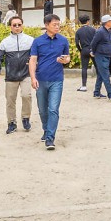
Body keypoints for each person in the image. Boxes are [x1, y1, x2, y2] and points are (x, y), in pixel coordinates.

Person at [29, 14, 70, 150]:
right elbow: (33, 60)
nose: (57, 26)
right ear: (46, 25)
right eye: (54, 24)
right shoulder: (37, 41)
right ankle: (46, 130)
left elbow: (68, 57)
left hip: (57, 80)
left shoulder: (63, 40)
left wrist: (65, 60)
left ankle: (50, 138)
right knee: (42, 110)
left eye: (59, 24)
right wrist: (33, 77)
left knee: (53, 109)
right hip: (40, 79)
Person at [0, 16, 35, 134]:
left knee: (26, 96)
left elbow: (36, 56)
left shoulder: (30, 40)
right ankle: (11, 123)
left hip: (26, 74)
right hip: (11, 76)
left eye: (19, 24)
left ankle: (25, 118)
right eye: (14, 25)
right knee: (10, 100)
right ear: (10, 26)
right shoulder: (5, 42)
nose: (17, 27)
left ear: (22, 25)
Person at [90, 15, 111, 101]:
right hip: (101, 55)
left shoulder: (107, 31)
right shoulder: (100, 31)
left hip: (106, 55)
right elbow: (93, 43)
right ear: (107, 22)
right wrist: (93, 52)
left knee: (101, 74)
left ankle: (96, 92)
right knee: (106, 75)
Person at [74, 14, 95, 92]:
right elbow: (96, 40)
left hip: (84, 49)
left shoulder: (78, 31)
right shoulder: (93, 30)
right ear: (88, 21)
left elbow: (76, 43)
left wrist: (81, 50)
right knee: (97, 66)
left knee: (84, 68)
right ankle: (99, 83)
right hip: (92, 49)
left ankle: (83, 86)